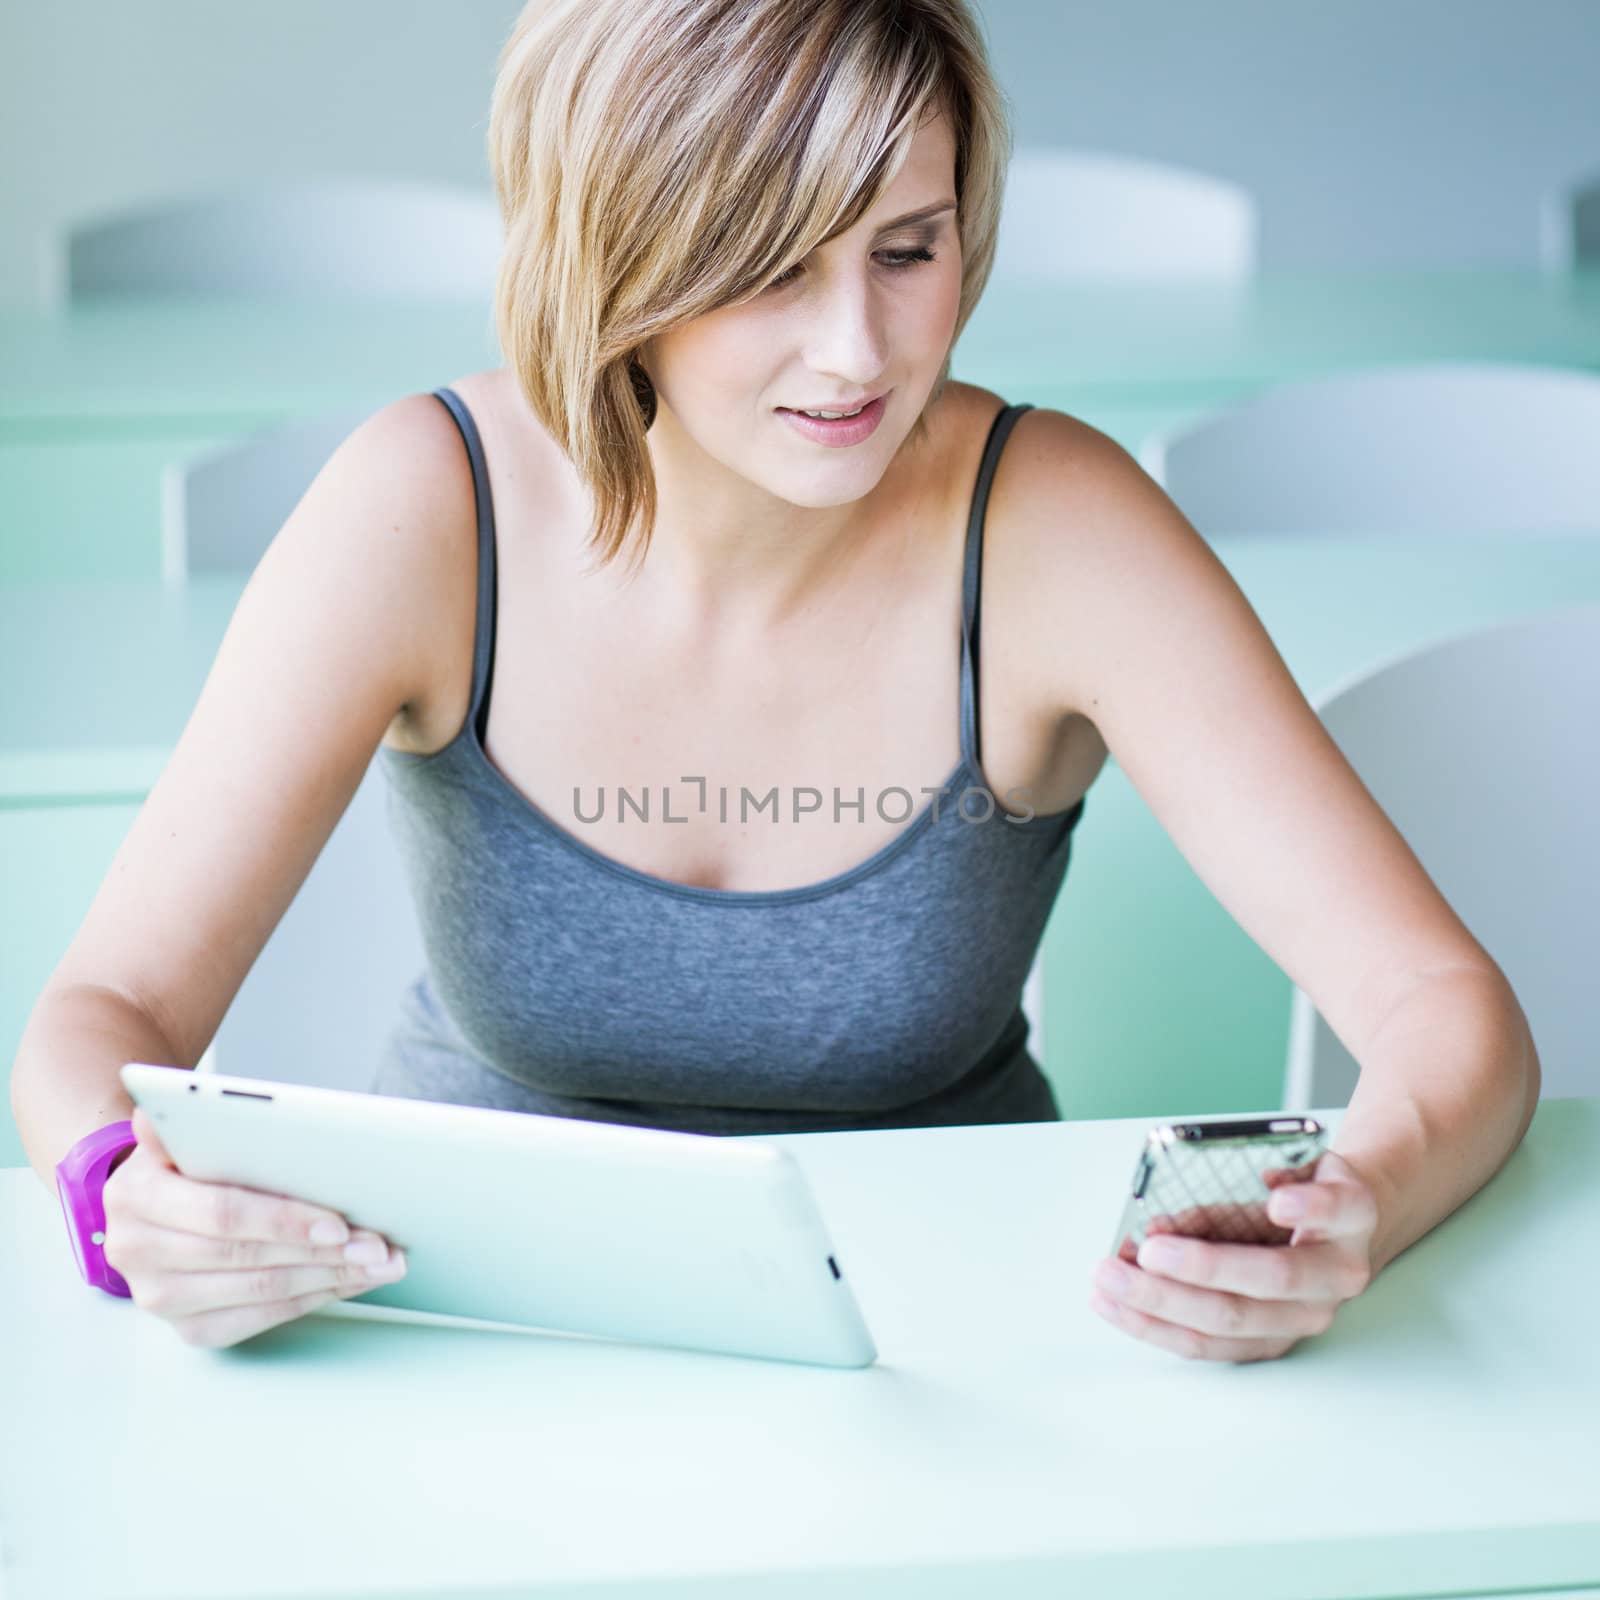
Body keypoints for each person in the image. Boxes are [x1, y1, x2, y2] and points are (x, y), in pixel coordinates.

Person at [13, 0, 1539, 1361]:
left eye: (908, 248)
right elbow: (108, 1006)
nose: (858, 350)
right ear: (618, 256)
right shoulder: (427, 503)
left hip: (957, 1346)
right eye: (765, 270)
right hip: (463, 1330)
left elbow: (1443, 1009)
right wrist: (114, 1197)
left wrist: (1362, 1204)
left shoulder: (1055, 526)